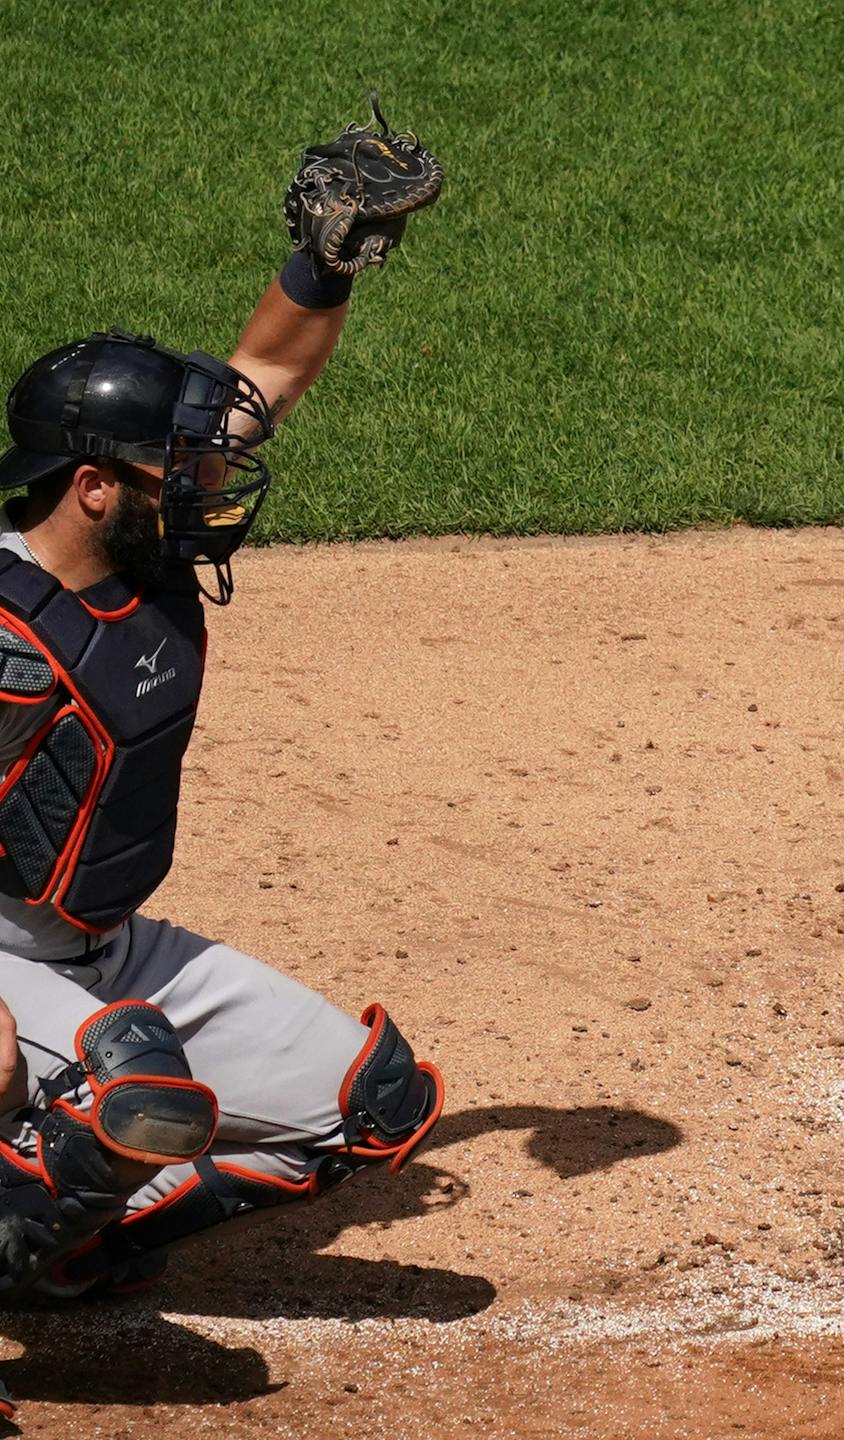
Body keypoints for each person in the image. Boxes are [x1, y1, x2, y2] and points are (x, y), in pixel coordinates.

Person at [0, 96, 447, 1353]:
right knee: (133, 1090)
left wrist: (326, 258)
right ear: (94, 485)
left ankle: (55, 1255)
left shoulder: (139, 553)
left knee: (368, 1105)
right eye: (177, 470)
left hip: (106, 946)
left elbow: (267, 375)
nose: (210, 484)